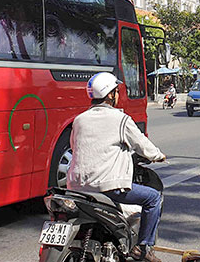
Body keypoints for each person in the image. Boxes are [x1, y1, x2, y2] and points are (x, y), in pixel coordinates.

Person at [67, 72, 166, 262]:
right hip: (108, 188)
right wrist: (158, 156)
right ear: (111, 95)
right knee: (153, 198)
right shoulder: (120, 119)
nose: (117, 94)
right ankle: (144, 247)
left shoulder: (79, 120)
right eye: (116, 91)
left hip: (76, 188)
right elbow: (142, 145)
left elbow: (75, 147)